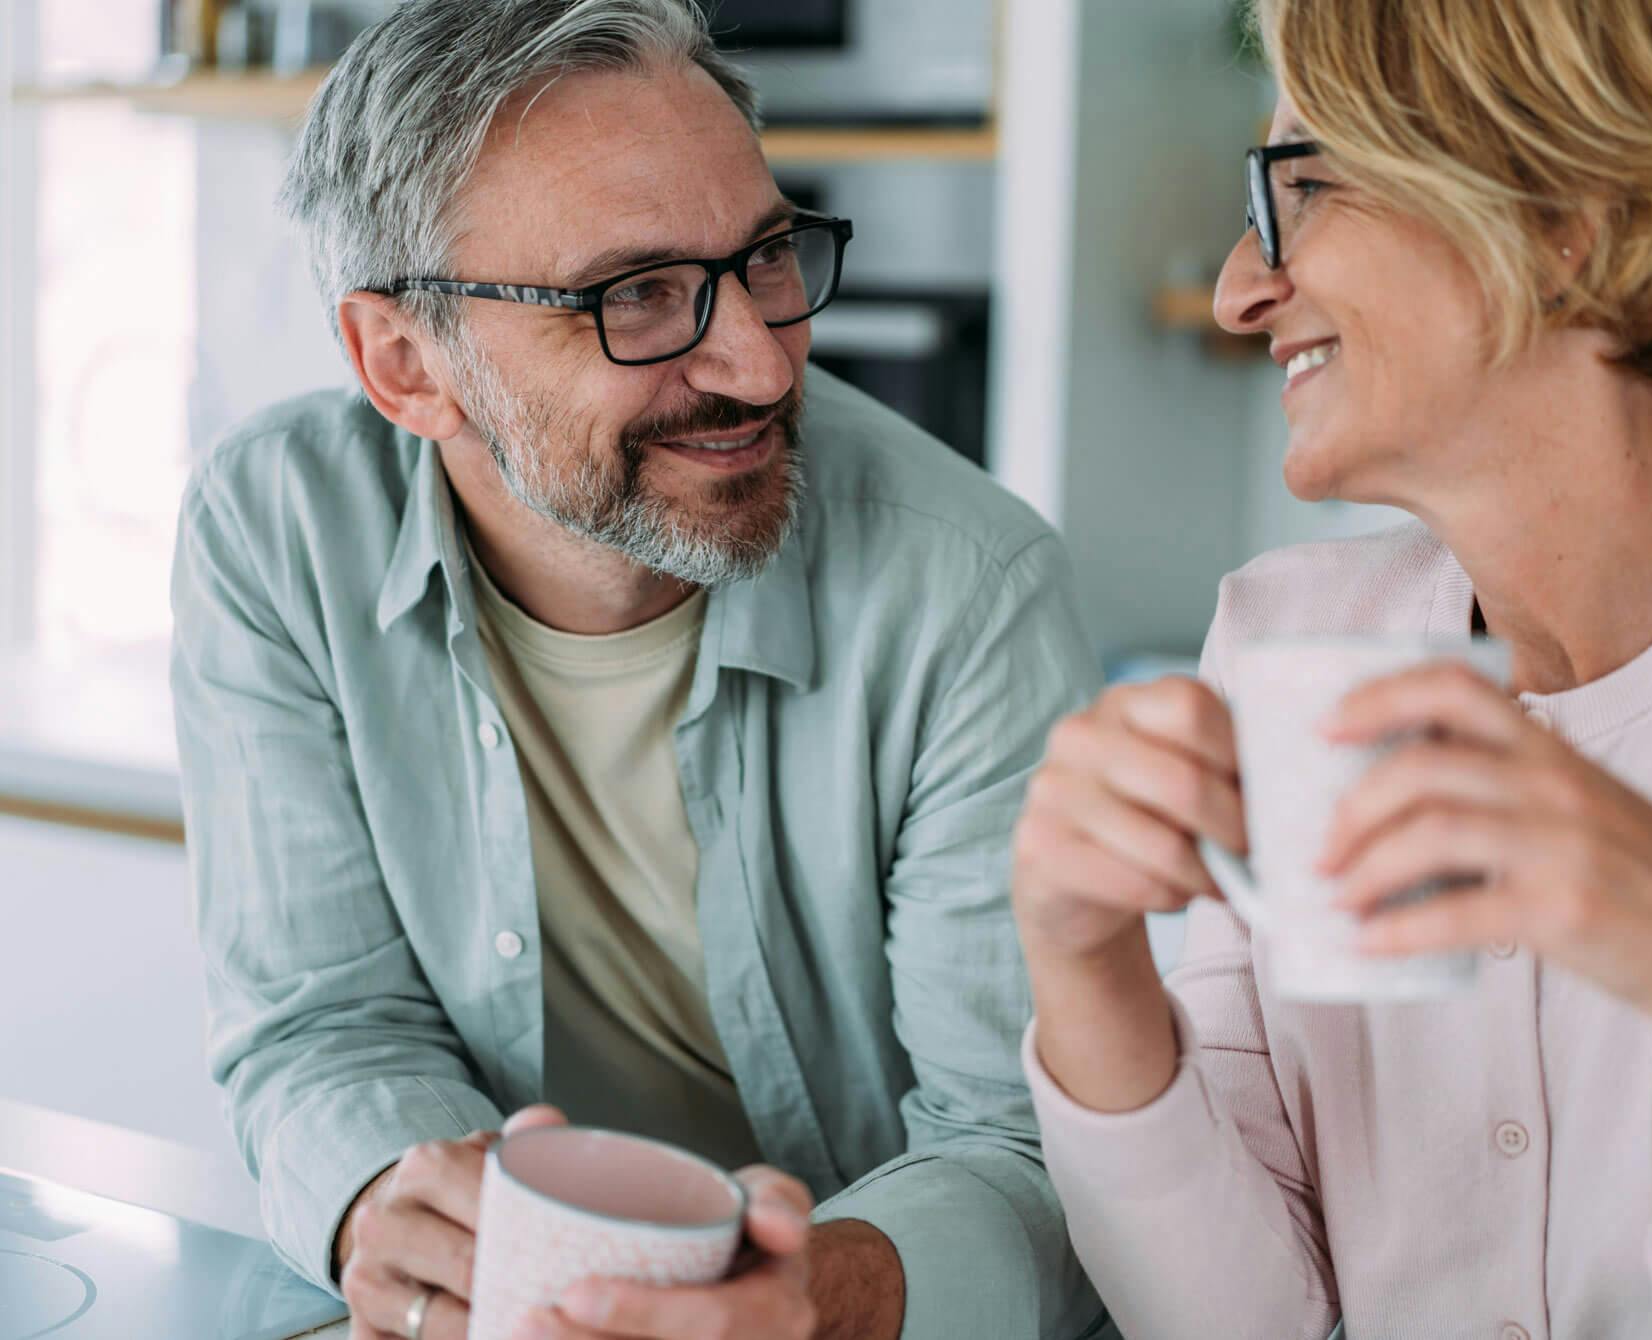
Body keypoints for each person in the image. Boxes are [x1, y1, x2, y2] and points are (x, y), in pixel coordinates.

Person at [1009, 1, 1652, 1337]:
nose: (1244, 285)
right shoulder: (1280, 639)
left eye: (1295, 190)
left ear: (1561, 222)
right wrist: (1083, 964)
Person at [169, 2, 1108, 1338]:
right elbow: (324, 1026)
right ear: (402, 361)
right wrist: (398, 1209)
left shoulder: (970, 591)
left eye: (767, 256)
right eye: (636, 297)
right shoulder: (273, 533)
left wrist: (804, 1301)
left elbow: (1030, 1161)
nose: (760, 357)